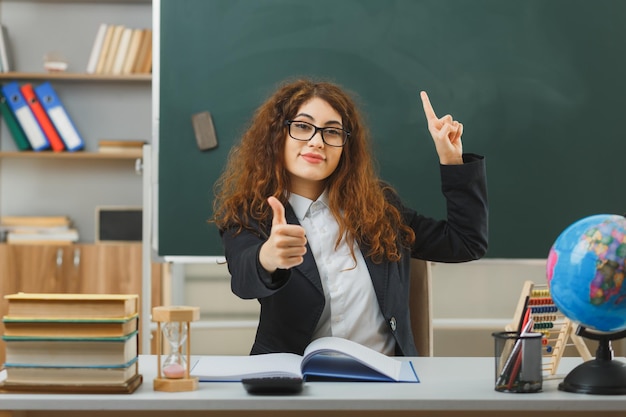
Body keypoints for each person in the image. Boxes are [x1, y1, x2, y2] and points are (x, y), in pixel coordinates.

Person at [212, 78, 488, 357]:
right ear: (277, 136)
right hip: (296, 387)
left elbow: (466, 242)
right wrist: (268, 258)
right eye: (303, 127)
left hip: (385, 384)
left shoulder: (379, 208)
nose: (317, 142)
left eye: (332, 132)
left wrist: (452, 162)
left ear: (346, 146)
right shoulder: (251, 213)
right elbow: (243, 281)